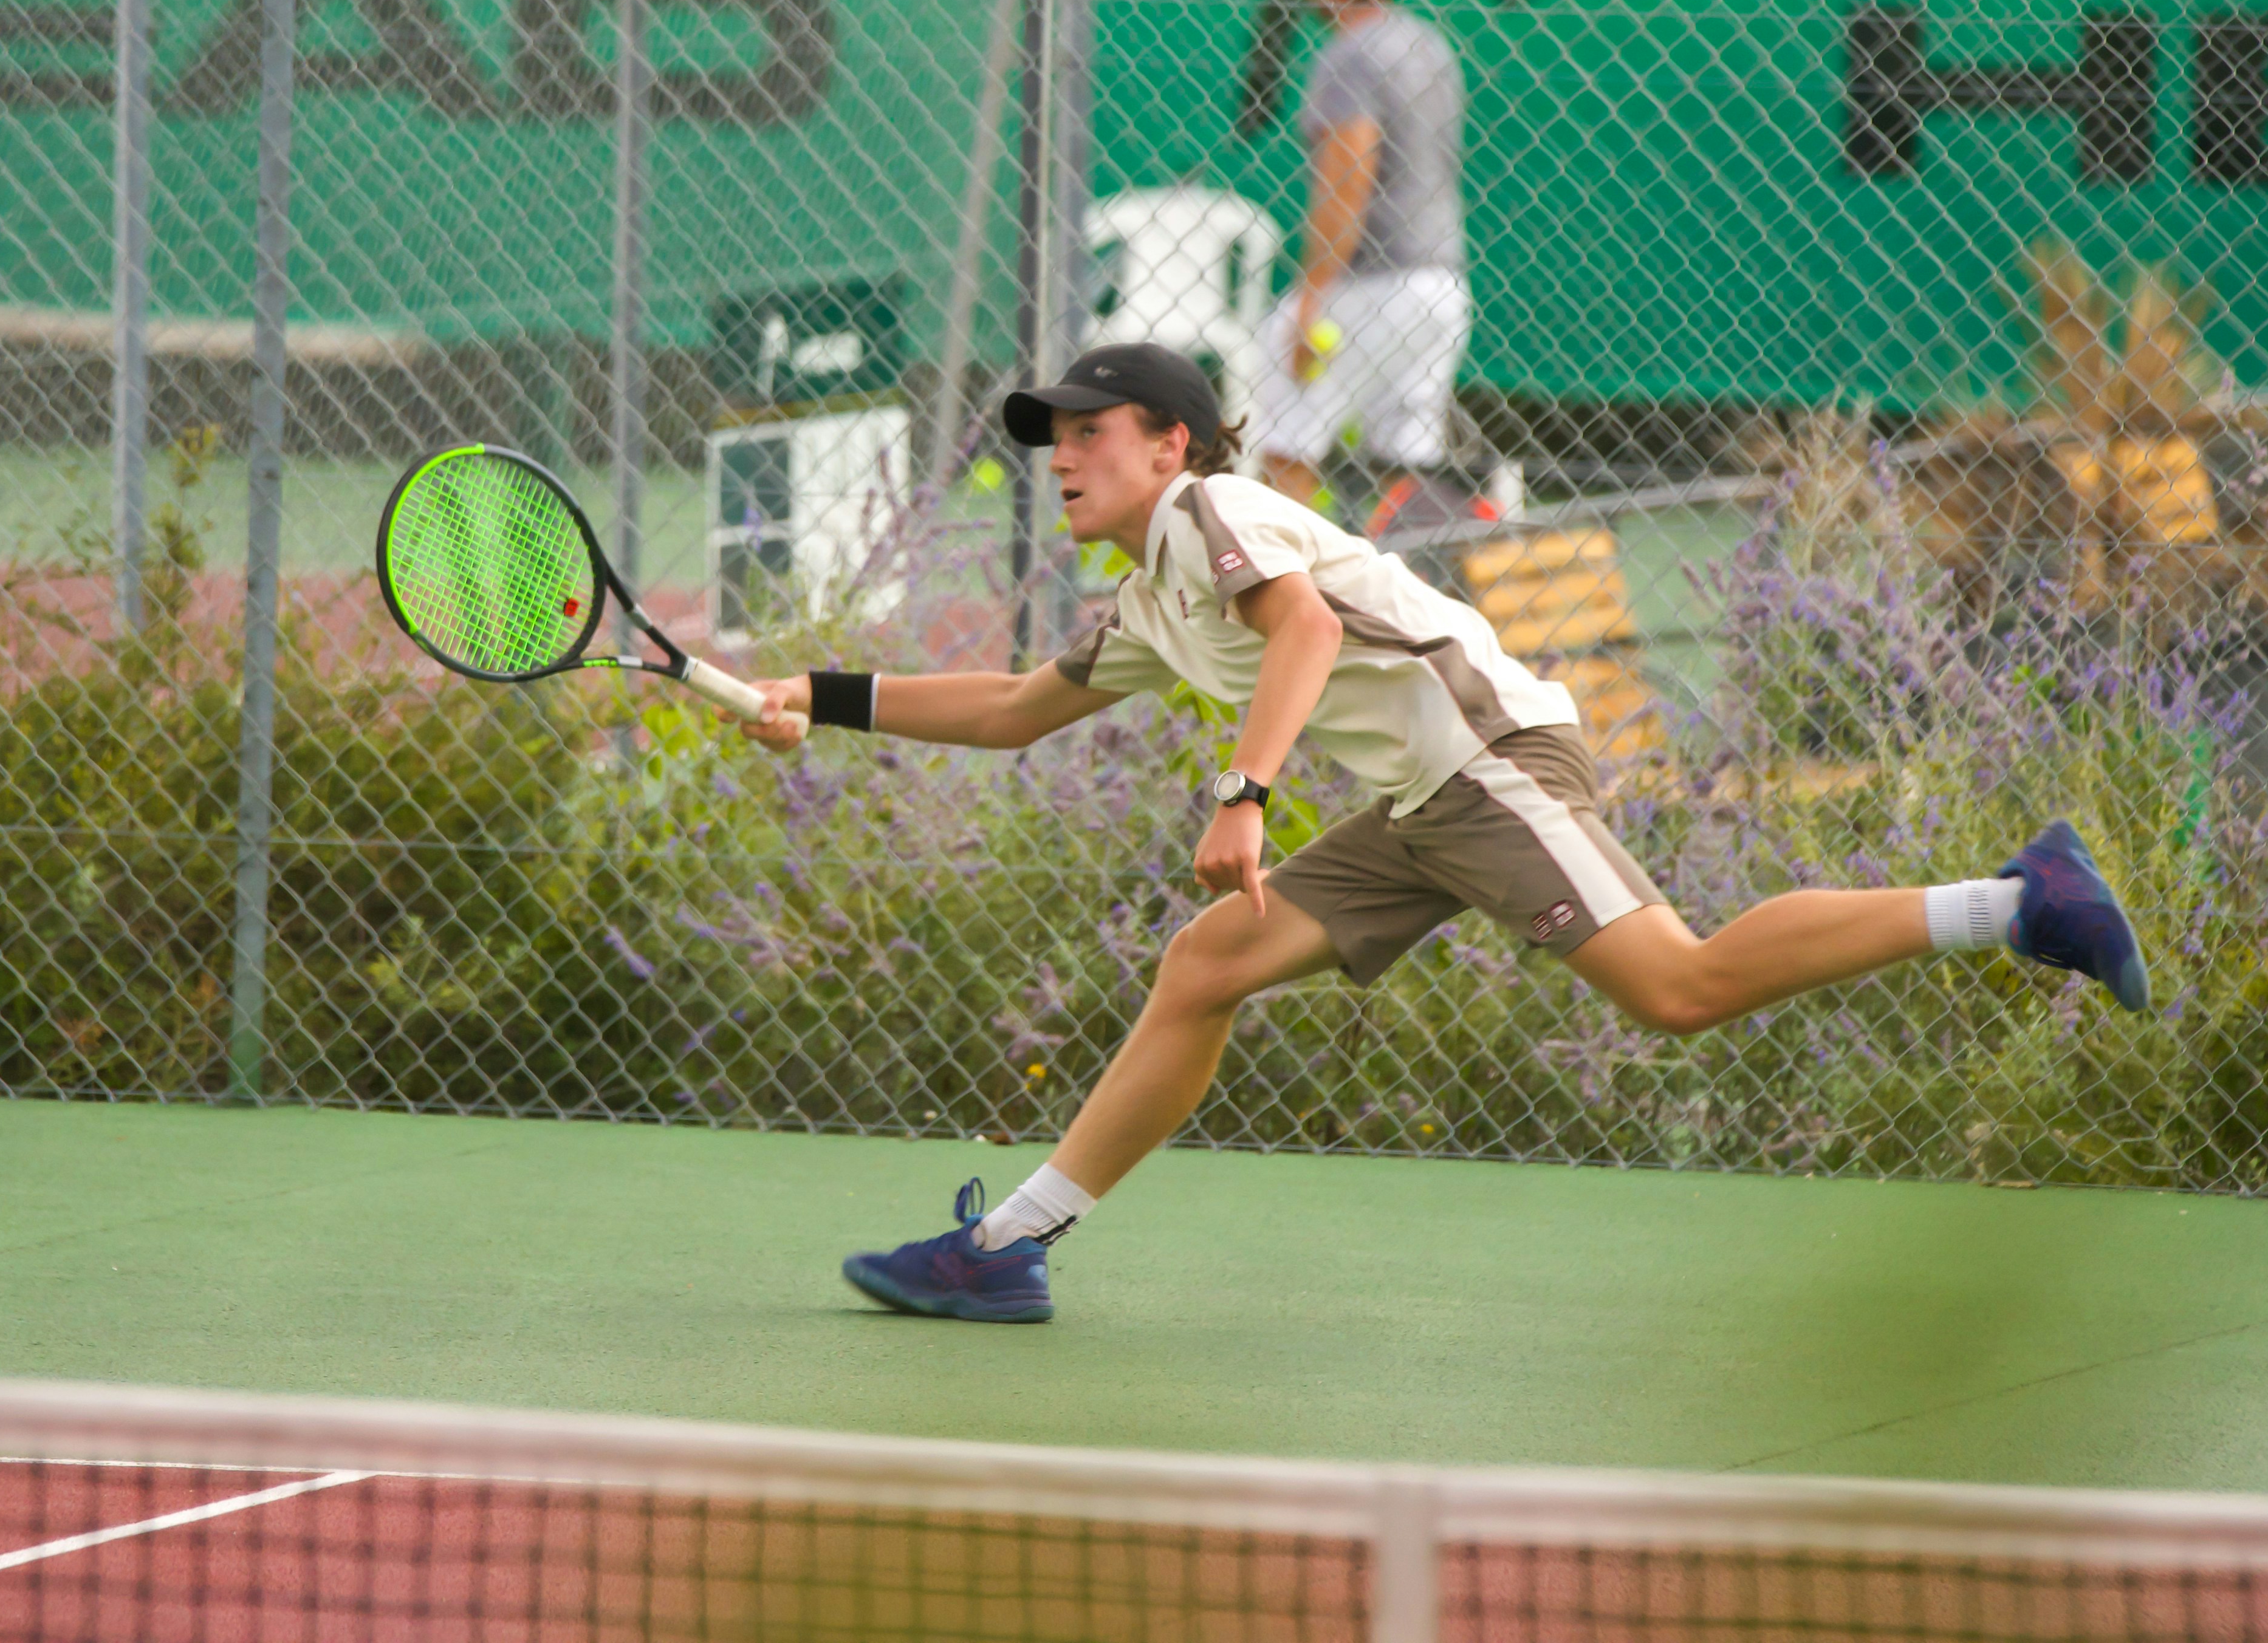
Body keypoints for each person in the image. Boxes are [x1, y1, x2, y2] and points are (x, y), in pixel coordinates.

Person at [742, 341, 2148, 1325]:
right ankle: (1006, 1248)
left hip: (1489, 759)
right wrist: (819, 690)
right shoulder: (1151, 594)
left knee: (1679, 984)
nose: (1061, 456)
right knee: (1205, 965)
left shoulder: (1214, 507)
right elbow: (1011, 710)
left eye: (1088, 431)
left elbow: (1301, 627)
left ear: (1168, 444)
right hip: (1422, 803)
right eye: (1051, 438)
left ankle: (2020, 901)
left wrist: (1244, 790)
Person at [1236, 0, 1470, 521]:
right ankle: (1408, 574)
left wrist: (1311, 297)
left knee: (1286, 443)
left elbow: (1347, 182)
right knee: (1406, 467)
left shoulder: (1349, 56)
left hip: (1368, 285)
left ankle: (1281, 570)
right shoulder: (1429, 44)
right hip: (1440, 283)